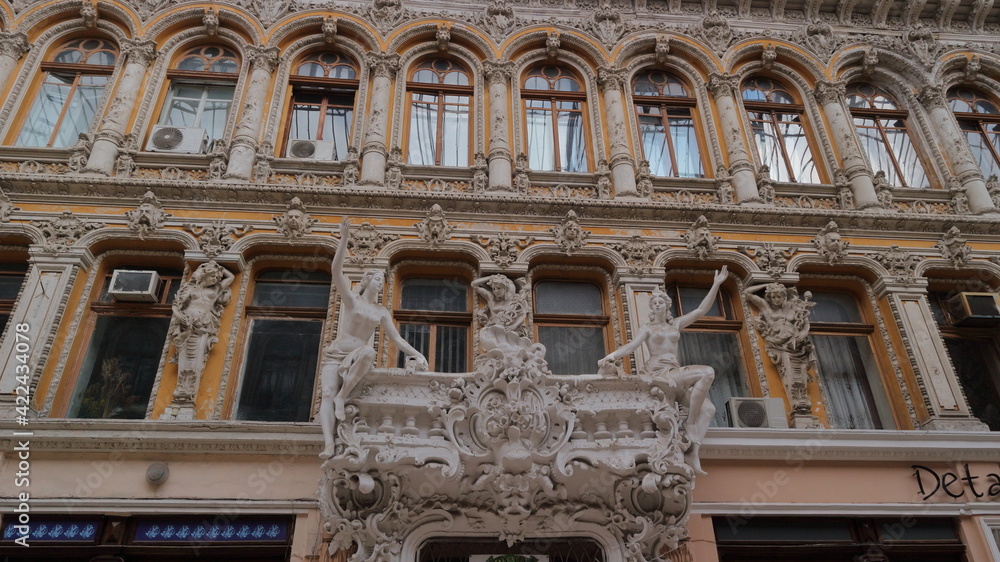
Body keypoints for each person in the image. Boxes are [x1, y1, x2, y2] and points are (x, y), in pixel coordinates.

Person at [598, 266, 727, 474]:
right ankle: (690, 422)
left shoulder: (675, 325)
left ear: (667, 307)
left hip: (675, 372)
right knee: (707, 372)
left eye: (661, 302)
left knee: (709, 410)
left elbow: (701, 311)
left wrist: (716, 284)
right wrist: (610, 356)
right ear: (652, 308)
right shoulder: (648, 328)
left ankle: (693, 452)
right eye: (654, 302)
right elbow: (632, 346)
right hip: (660, 373)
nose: (658, 304)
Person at [319, 217, 428, 458]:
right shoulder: (352, 301)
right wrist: (344, 239)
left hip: (358, 355)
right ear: (367, 280)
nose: (381, 282)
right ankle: (328, 443)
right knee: (326, 393)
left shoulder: (381, 312)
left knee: (368, 351)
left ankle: (342, 397)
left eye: (383, 280)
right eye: (378, 278)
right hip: (335, 353)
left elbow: (396, 340)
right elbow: (336, 271)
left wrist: (417, 354)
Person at [169, 261, 235, 400]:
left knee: (199, 353)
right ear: (205, 276)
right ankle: (183, 390)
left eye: (217, 278)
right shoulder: (192, 289)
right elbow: (177, 305)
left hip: (204, 323)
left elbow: (230, 278)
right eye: (213, 277)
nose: (216, 280)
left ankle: (188, 389)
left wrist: (217, 266)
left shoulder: (216, 290)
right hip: (188, 322)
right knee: (186, 352)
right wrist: (179, 316)